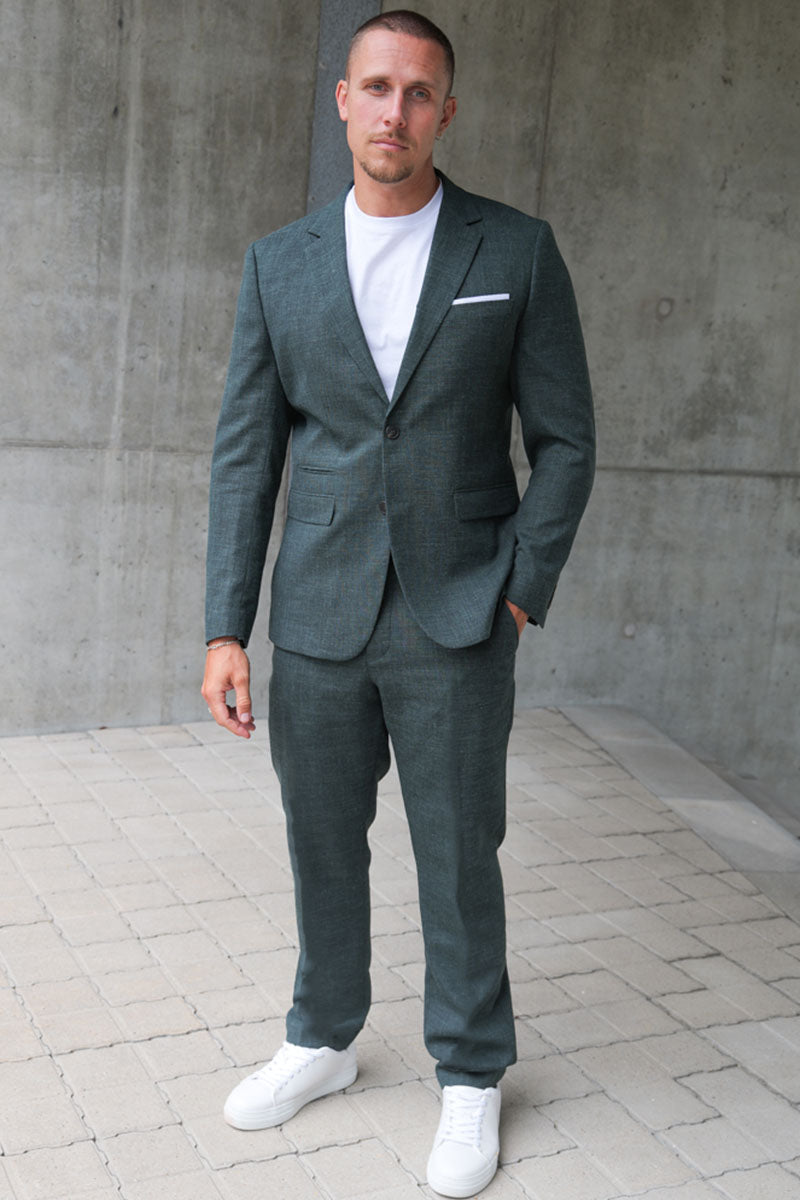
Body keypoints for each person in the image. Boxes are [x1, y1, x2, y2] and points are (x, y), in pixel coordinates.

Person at [202, 10, 594, 1196]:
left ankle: (469, 1073)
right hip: (318, 609)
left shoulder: (513, 250)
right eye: (375, 88)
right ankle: (322, 1037)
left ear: (445, 111)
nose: (394, 111)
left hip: (459, 611)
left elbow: (566, 443)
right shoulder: (278, 263)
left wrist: (518, 591)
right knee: (320, 839)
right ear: (342, 101)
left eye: (418, 92)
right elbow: (245, 456)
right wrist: (225, 626)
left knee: (457, 850)